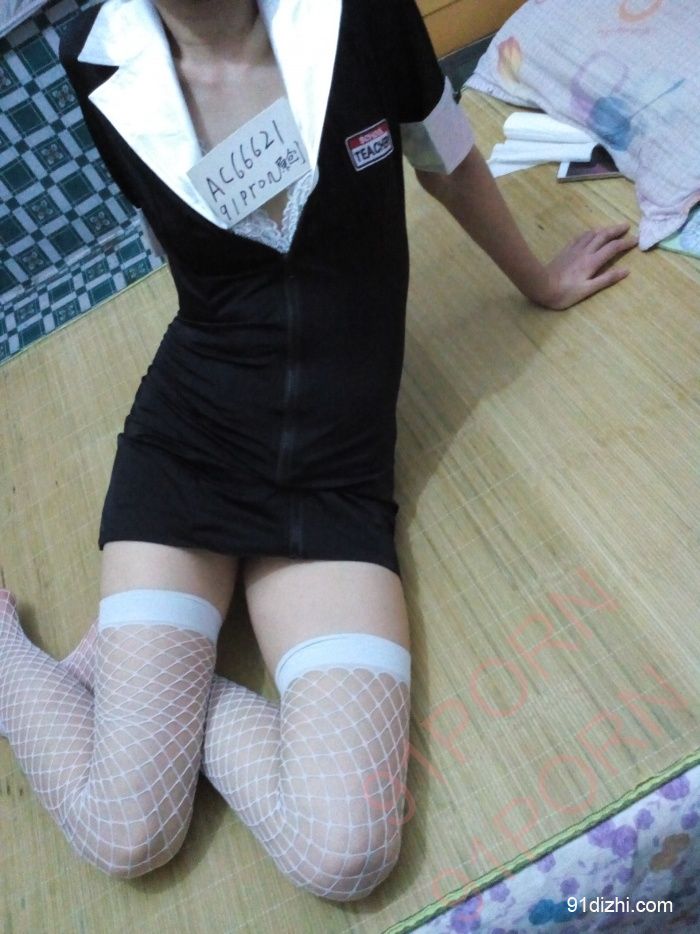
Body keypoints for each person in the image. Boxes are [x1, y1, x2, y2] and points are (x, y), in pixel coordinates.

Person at [0, 0, 636, 902]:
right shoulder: (91, 54)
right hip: (193, 441)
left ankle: (145, 680)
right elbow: (175, 243)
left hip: (337, 468)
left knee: (346, 852)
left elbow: (444, 157)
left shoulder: (362, 12)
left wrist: (538, 279)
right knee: (128, 831)